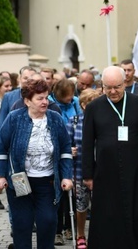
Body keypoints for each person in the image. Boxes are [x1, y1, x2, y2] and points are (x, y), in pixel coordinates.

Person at [0, 78, 74, 249]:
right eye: (40, 98)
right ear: (27, 101)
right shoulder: (14, 118)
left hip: (47, 181)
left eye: (46, 97)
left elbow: (66, 149)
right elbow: (1, 148)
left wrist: (66, 176)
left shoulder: (55, 119)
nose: (45, 102)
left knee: (48, 221)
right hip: (20, 181)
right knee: (22, 224)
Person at [82, 66, 138, 248]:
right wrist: (88, 175)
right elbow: (87, 143)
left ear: (125, 83)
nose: (113, 92)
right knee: (108, 216)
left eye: (117, 87)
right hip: (105, 172)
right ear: (102, 86)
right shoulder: (93, 108)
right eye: (108, 87)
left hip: (137, 171)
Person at [66, 88, 102, 249]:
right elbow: (65, 145)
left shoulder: (103, 121)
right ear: (83, 105)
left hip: (101, 171)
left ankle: (99, 235)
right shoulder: (74, 121)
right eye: (90, 102)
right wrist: (69, 150)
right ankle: (80, 235)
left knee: (100, 206)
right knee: (81, 206)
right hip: (79, 170)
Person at [48, 78, 82, 245]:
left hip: (74, 149)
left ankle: (70, 227)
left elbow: (78, 120)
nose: (70, 99)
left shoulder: (75, 101)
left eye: (71, 95)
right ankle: (58, 230)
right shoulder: (50, 103)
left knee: (73, 194)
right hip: (56, 149)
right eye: (67, 96)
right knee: (59, 194)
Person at [0, 66, 37, 132]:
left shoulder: (42, 98)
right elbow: (1, 121)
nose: (28, 81)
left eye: (32, 78)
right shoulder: (8, 96)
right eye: (25, 78)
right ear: (20, 79)